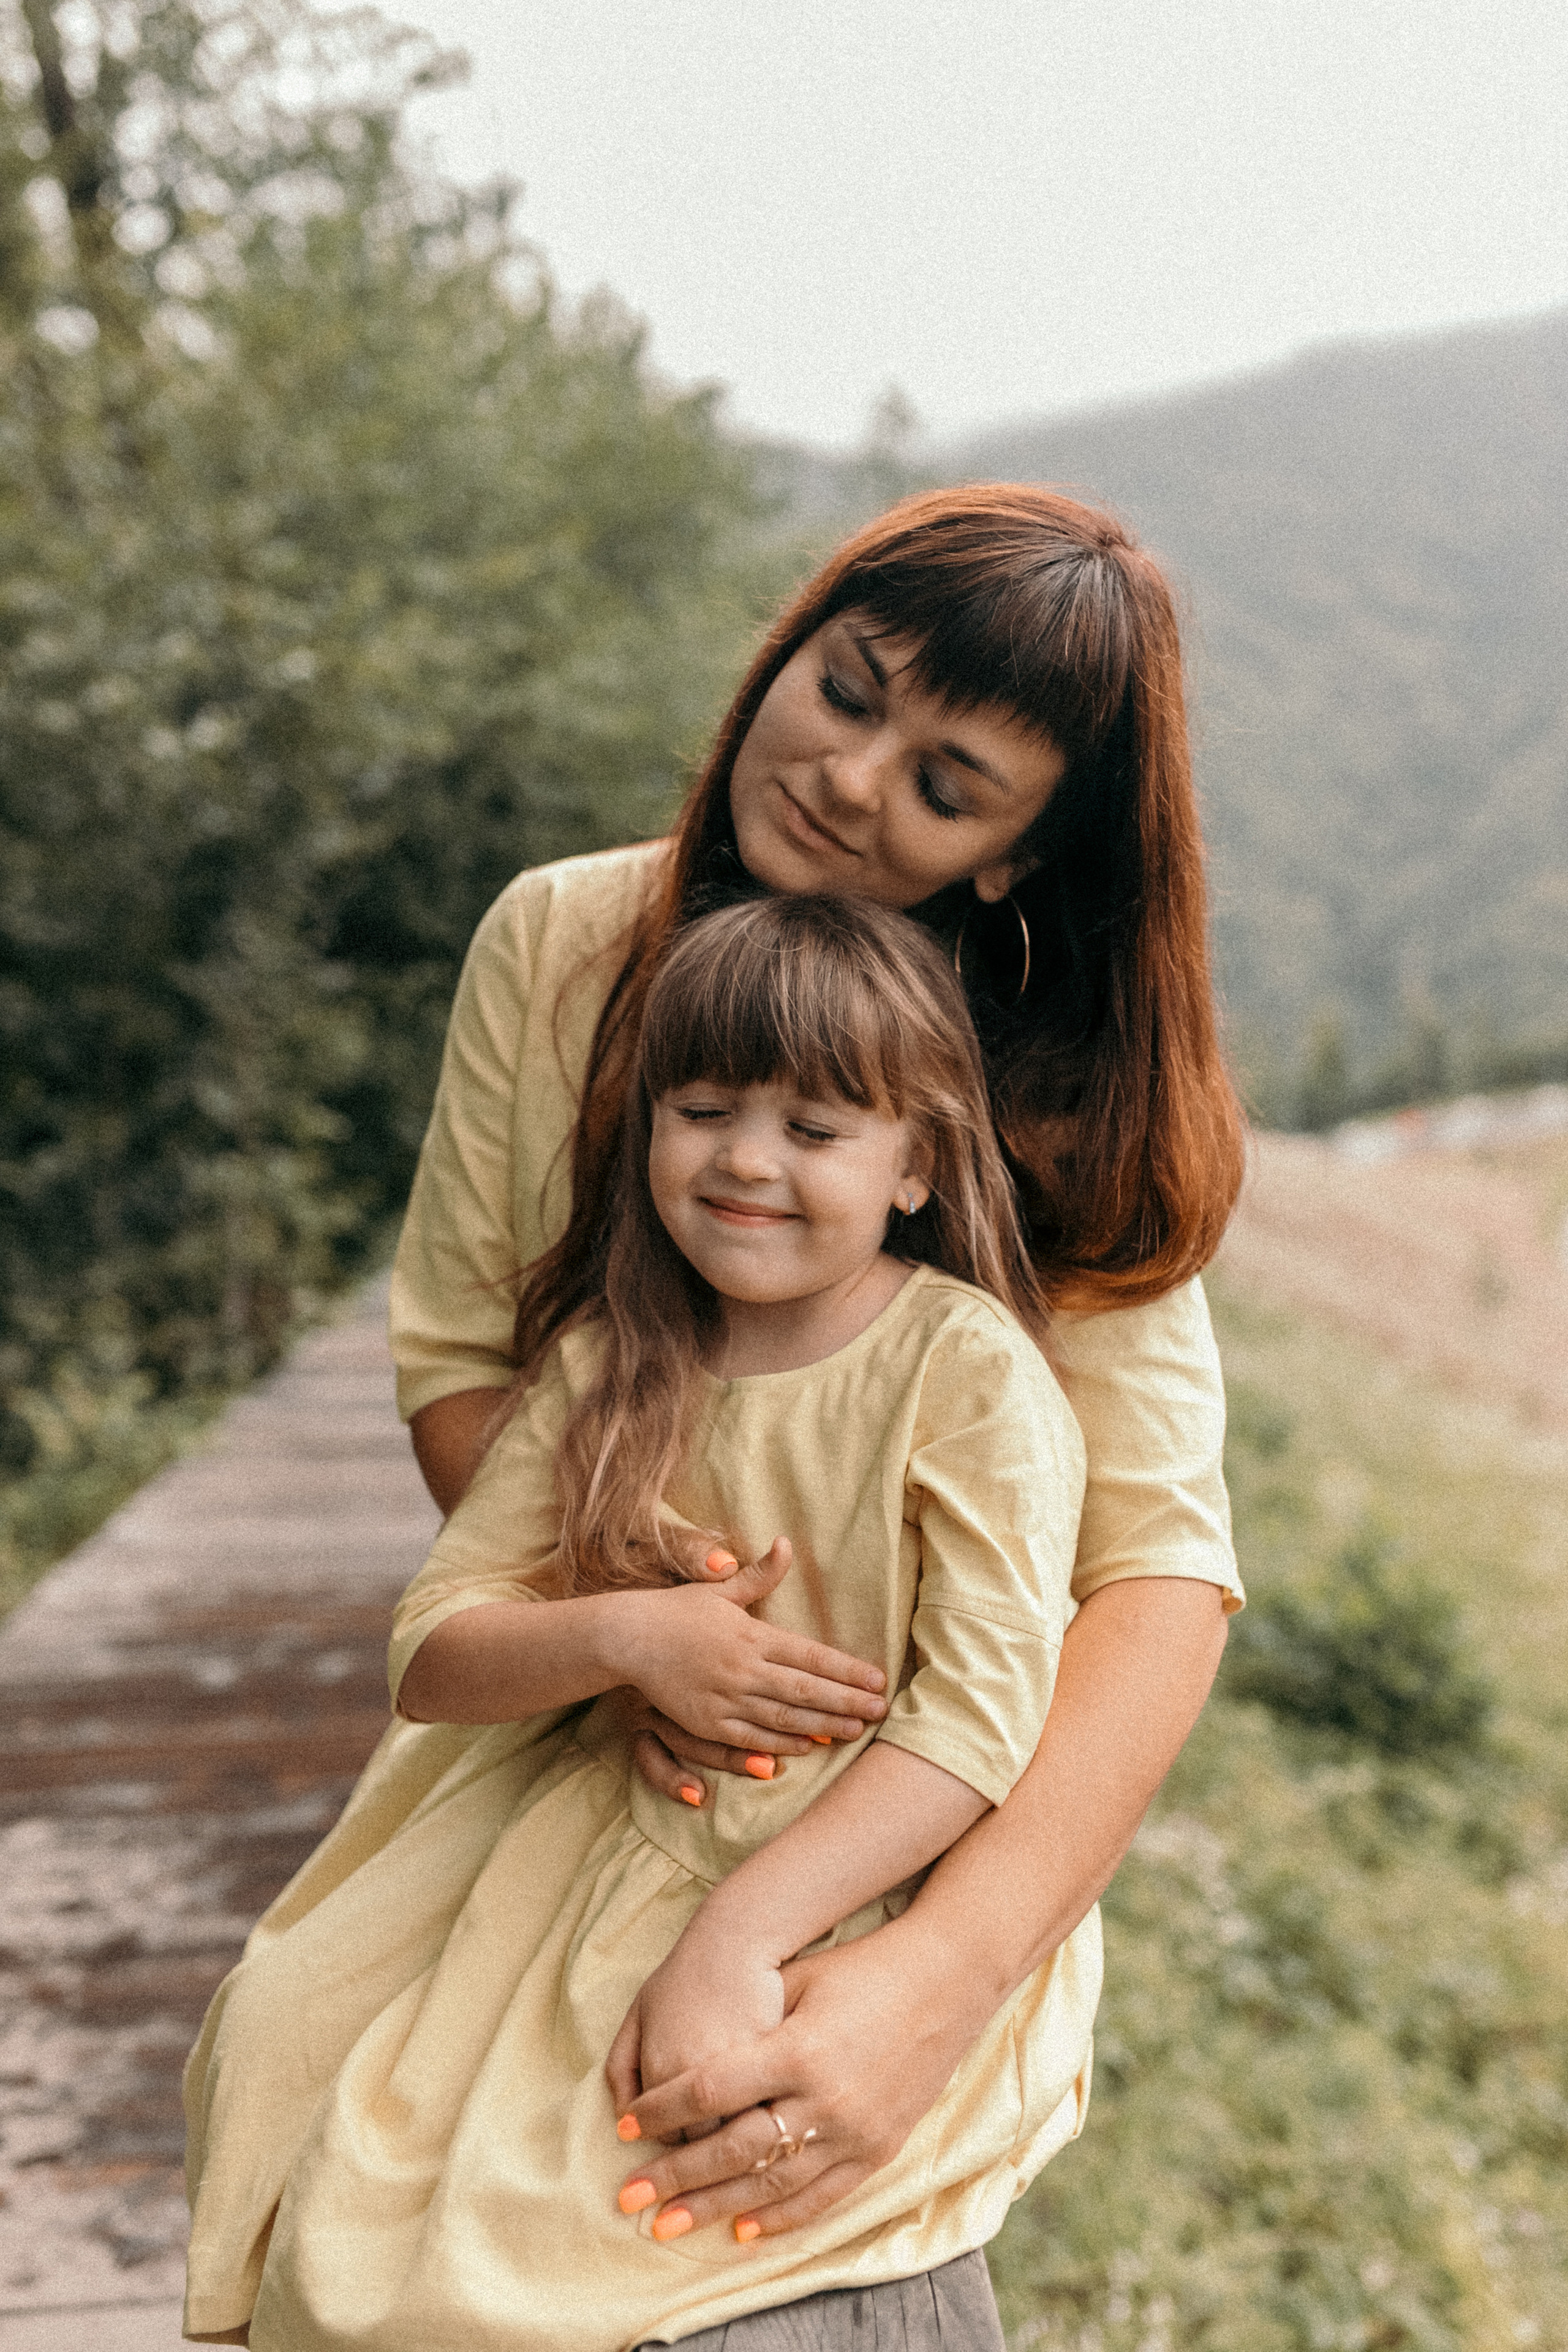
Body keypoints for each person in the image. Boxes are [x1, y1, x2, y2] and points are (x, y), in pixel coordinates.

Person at [389, 484, 1246, 2259]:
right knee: (349, 2144)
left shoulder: (1053, 1085)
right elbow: (466, 1364)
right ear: (784, 647)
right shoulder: (564, 944)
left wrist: (937, 1976)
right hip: (586, 1739)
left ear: (1014, 853)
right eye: (848, 690)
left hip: (915, 1819)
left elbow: (1158, 1571)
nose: (854, 779)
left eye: (948, 786)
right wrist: (625, 1633)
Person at [183, 895, 1094, 2350]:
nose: (745, 1159)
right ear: (649, 1126)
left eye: (814, 1129)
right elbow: (433, 1650)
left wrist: (740, 1930)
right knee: (289, 2028)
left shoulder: (963, 1376)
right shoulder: (618, 1359)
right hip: (611, 1831)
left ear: (915, 1165)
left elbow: (978, 1724)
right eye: (705, 1108)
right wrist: (624, 1639)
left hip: (840, 1866)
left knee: (525, 2244)